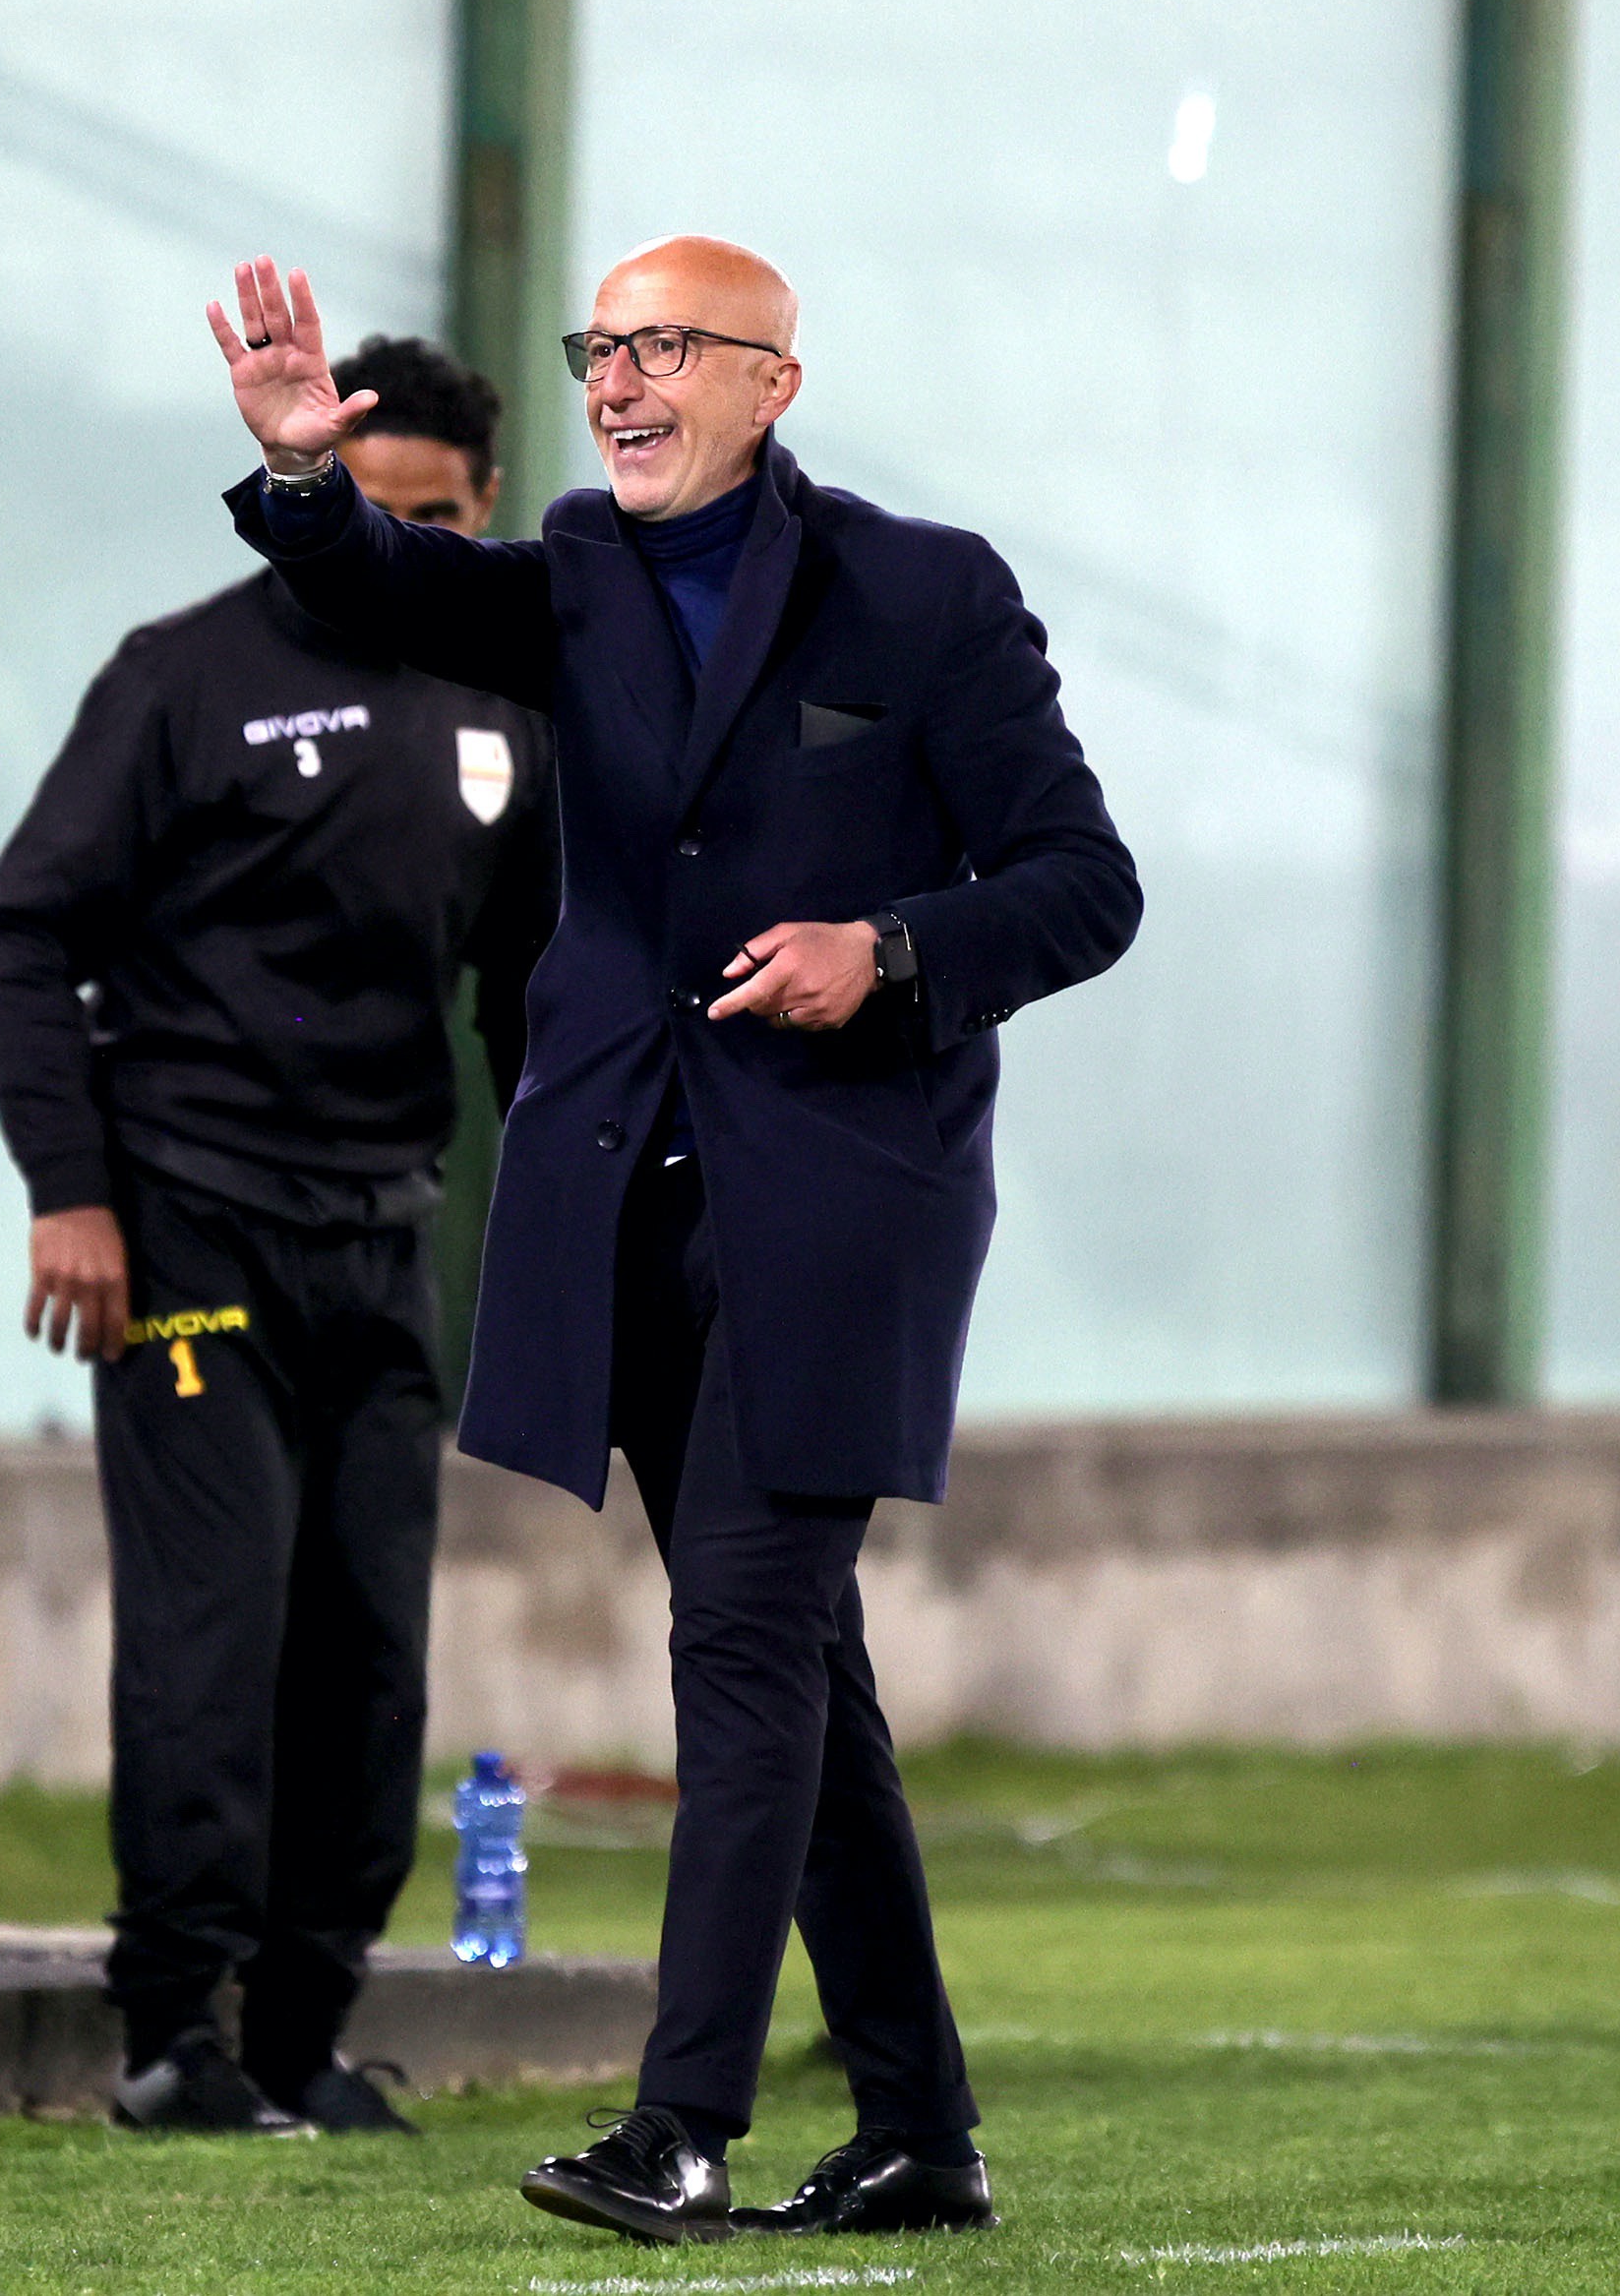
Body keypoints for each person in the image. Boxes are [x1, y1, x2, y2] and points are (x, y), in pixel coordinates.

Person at [209, 243, 1141, 2239]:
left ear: (770, 382)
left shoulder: (926, 592)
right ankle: (919, 2132)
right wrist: (300, 472)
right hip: (622, 1201)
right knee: (802, 1670)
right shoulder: (577, 566)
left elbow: (1084, 883)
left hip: (845, 1210)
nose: (617, 382)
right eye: (600, 348)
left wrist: (887, 948)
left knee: (734, 1639)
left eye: (662, 348)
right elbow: (392, 586)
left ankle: (681, 2121)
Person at [0, 334, 557, 2137]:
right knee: (214, 1630)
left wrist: (574, 1219)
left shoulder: (506, 701)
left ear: (482, 511)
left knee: (371, 1651)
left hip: (384, 1233)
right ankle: (172, 2035)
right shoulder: (180, 676)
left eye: (437, 519)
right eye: (370, 511)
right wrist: (69, 1189)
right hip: (191, 1226)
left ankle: (304, 2027)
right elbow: (23, 932)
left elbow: (525, 991)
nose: (399, 548)